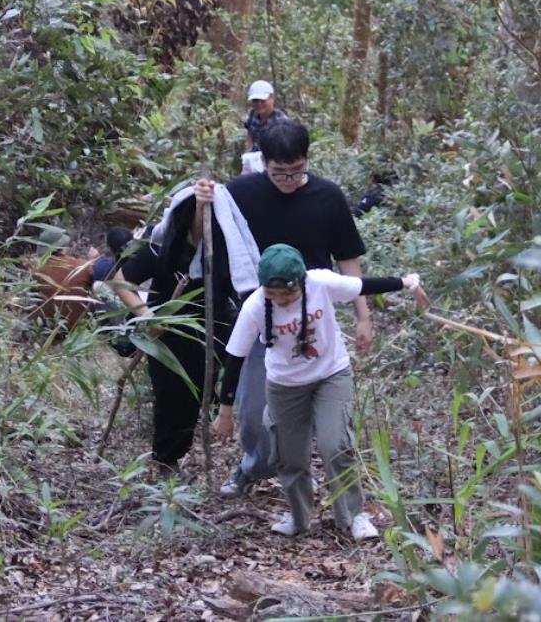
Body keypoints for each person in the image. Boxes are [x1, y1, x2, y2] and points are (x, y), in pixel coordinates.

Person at [195, 118, 372, 498]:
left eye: (297, 171)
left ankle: (318, 472)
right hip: (261, 314)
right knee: (253, 406)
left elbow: (348, 261)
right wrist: (202, 202)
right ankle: (255, 465)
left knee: (318, 399)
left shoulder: (328, 197)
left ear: (307, 160)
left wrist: (363, 316)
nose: (289, 180)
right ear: (264, 163)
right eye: (280, 173)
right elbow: (200, 232)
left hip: (314, 317)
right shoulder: (240, 192)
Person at [212, 244, 429, 539]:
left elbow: (364, 285)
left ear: (301, 282)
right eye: (273, 295)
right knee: (289, 456)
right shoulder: (254, 306)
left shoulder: (321, 282)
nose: (281, 301)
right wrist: (225, 412)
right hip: (285, 385)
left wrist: (408, 283)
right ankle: (299, 517)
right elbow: (234, 358)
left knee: (336, 443)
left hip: (331, 374)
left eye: (288, 294)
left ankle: (353, 515)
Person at [110, 193, 236, 474]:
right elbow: (121, 280)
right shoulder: (161, 239)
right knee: (173, 395)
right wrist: (146, 315)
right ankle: (167, 459)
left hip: (217, 320)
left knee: (230, 378)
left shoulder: (228, 238)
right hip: (168, 324)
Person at [243, 80, 287, 153]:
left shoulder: (281, 121)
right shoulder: (252, 115)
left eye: (263, 100)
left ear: (272, 98)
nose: (259, 104)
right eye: (255, 100)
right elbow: (250, 135)